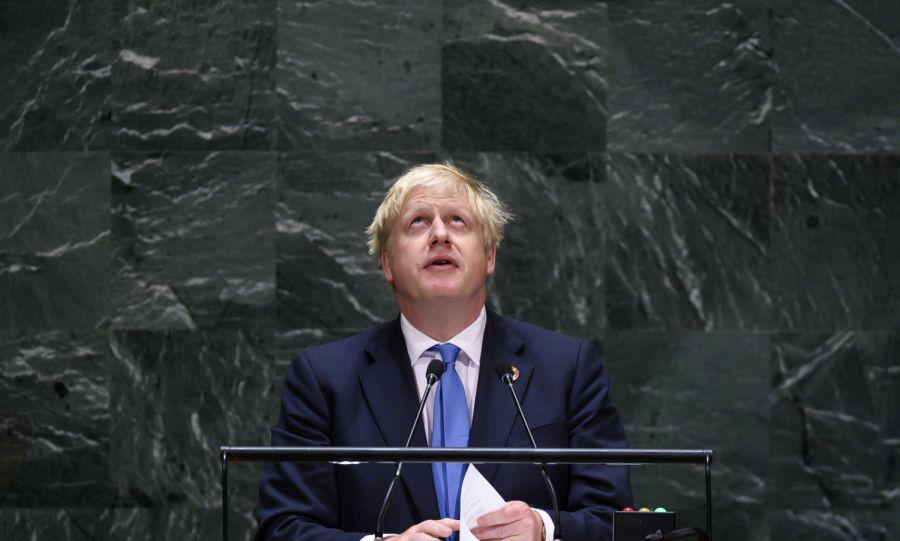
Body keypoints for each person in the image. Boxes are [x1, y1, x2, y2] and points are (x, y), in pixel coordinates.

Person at [256, 163, 632, 541]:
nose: (439, 234)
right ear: (387, 262)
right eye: (418, 222)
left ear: (489, 257)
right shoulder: (324, 380)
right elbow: (283, 527)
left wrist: (544, 528)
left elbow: (615, 520)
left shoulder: (567, 369)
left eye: (457, 221)